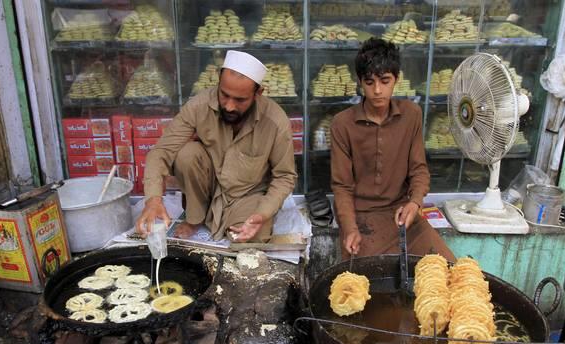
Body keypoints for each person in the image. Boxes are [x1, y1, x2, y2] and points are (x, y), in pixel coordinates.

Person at [136, 51, 297, 243]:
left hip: (248, 194)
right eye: (224, 95)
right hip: (210, 186)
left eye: (240, 100)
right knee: (187, 154)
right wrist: (153, 200)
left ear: (258, 94)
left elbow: (285, 176)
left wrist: (262, 214)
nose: (229, 106)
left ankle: (241, 221)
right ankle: (196, 218)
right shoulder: (199, 106)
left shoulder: (275, 121)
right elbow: (161, 151)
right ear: (218, 83)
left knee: (248, 242)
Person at [330, 38, 455, 262]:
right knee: (366, 286)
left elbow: (419, 169)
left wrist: (414, 203)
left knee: (448, 270)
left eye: (385, 81)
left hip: (401, 214)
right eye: (369, 82)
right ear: (360, 82)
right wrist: (349, 228)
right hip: (361, 219)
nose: (377, 90)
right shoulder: (342, 124)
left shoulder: (412, 115)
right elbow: (342, 186)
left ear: (396, 79)